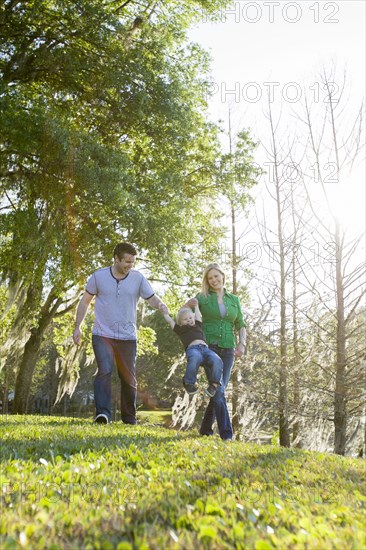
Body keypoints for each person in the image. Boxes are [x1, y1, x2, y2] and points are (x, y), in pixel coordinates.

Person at [72, 243, 166, 425]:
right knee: (105, 371)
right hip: (102, 334)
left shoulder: (138, 278)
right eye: (127, 262)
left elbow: (152, 298)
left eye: (133, 262)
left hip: (128, 337)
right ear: (116, 258)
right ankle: (103, 414)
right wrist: (77, 327)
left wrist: (160, 305)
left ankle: (129, 418)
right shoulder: (98, 277)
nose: (130, 265)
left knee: (128, 377)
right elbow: (84, 303)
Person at [186, 263, 247, 441]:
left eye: (216, 276)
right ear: (207, 281)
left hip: (228, 349)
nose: (214, 280)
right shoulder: (202, 298)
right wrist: (186, 305)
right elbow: (184, 315)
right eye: (210, 278)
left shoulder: (233, 299)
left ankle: (205, 429)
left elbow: (241, 323)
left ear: (222, 275)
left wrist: (242, 344)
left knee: (218, 390)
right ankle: (227, 435)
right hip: (209, 348)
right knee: (219, 390)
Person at [159, 302, 223, 398]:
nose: (189, 320)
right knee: (195, 358)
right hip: (193, 349)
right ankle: (189, 383)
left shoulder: (198, 325)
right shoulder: (180, 329)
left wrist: (196, 306)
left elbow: (197, 315)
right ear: (180, 323)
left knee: (217, 359)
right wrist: (165, 313)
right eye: (185, 319)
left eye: (190, 318)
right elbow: (170, 321)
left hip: (206, 349)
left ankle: (214, 385)